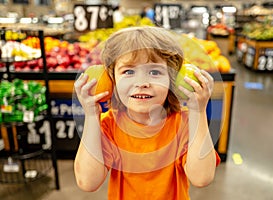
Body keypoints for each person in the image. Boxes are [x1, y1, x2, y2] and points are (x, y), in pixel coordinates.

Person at [73, 26, 221, 200]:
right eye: (128, 71)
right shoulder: (108, 125)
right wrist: (91, 116)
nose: (142, 82)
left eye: (154, 72)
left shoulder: (185, 123)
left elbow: (202, 178)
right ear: (112, 80)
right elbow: (87, 182)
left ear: (172, 80)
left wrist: (198, 111)